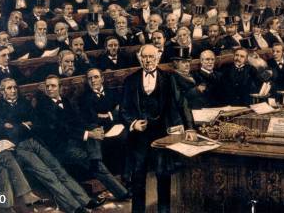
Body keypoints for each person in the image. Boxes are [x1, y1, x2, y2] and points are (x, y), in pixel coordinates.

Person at [0, 78, 101, 213]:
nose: (13, 91)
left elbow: (37, 124)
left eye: (15, 87)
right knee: (48, 175)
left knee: (59, 170)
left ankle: (85, 200)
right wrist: (24, 125)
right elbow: (2, 131)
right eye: (9, 88)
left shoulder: (24, 103)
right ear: (2, 91)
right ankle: (74, 207)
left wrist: (15, 126)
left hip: (35, 141)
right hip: (19, 147)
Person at [121, 44, 195, 213]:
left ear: (158, 58)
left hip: (162, 134)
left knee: (163, 175)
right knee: (138, 177)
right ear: (140, 58)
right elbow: (124, 109)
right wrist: (133, 123)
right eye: (145, 57)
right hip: (139, 137)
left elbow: (182, 103)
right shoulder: (130, 80)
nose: (148, 60)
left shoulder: (168, 78)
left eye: (151, 57)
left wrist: (190, 128)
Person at [34, 75, 130, 201]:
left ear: (60, 87)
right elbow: (62, 129)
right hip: (62, 147)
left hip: (75, 140)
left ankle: (95, 159)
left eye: (53, 86)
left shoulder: (65, 100)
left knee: (93, 126)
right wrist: (89, 134)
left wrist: (92, 130)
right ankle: (121, 192)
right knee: (93, 161)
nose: (50, 89)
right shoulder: (43, 106)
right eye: (47, 86)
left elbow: (78, 121)